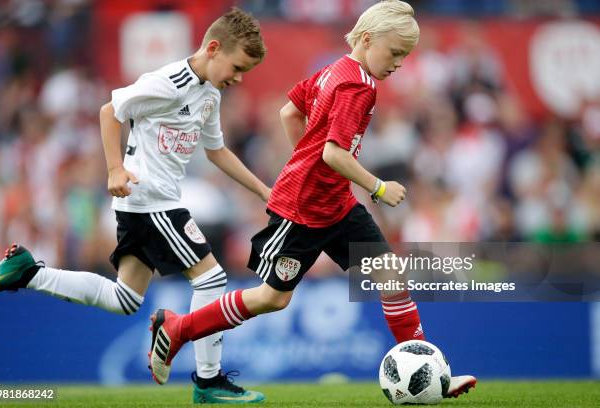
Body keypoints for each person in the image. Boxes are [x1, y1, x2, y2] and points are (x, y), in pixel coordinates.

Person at [146, 0, 476, 399]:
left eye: (404, 57)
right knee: (272, 298)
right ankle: (177, 328)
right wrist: (378, 187)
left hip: (335, 203)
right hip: (302, 210)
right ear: (369, 39)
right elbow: (333, 154)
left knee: (391, 275)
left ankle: (432, 371)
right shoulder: (356, 85)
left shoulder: (335, 69)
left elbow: (290, 112)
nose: (399, 64)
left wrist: (307, 159)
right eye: (395, 53)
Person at [0, 7, 269, 404]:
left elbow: (217, 151)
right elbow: (110, 111)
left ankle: (28, 273)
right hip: (150, 197)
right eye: (237, 67)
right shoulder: (169, 81)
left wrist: (261, 189)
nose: (238, 78)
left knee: (125, 299)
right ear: (213, 47)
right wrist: (115, 168)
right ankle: (208, 382)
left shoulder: (208, 93)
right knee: (212, 280)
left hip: (148, 203)